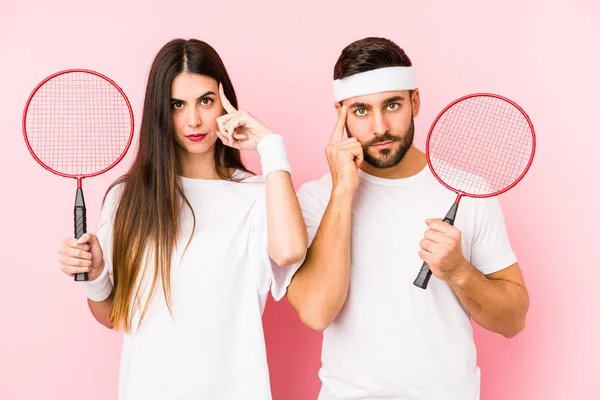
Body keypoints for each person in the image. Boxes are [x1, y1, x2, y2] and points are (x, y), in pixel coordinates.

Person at [57, 38, 308, 400]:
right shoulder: (126, 197)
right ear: (160, 110)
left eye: (206, 101)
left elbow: (289, 251)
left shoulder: (257, 194)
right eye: (177, 105)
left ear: (225, 102)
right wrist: (95, 275)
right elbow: (114, 316)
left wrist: (271, 146)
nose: (193, 119)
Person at [285, 37, 530, 400]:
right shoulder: (318, 198)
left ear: (415, 101)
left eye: (392, 105)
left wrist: (459, 271)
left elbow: (513, 321)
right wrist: (342, 191)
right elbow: (317, 312)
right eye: (361, 111)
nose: (380, 127)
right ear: (341, 114)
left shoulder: (471, 192)